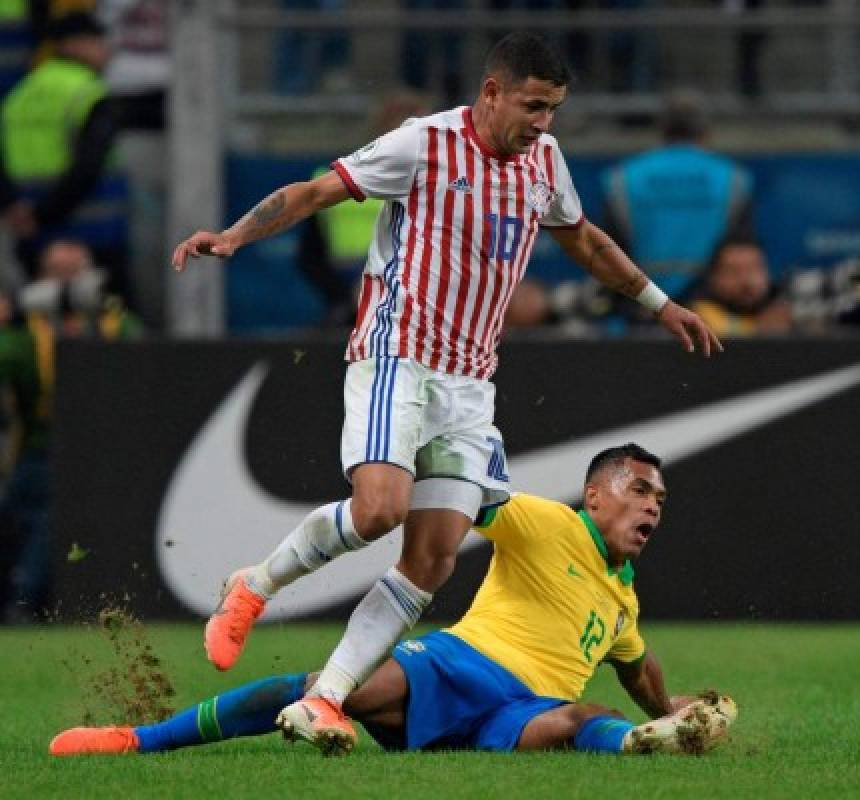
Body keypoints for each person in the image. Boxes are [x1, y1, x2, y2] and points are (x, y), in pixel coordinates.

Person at [170, 32, 721, 750]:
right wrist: (236, 237)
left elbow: (583, 240)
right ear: (491, 93)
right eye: (532, 105)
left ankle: (327, 700)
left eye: (553, 109)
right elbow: (315, 192)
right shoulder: (421, 143)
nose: (542, 123)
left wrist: (660, 303)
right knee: (379, 513)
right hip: (398, 355)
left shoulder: (544, 163)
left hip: (470, 382)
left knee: (430, 559)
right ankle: (255, 584)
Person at [49, 444, 738, 757]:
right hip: (456, 665)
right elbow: (460, 501)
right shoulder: (547, 521)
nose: (653, 506)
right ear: (595, 496)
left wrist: (672, 709)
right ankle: (139, 739)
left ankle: (650, 746)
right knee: (324, 689)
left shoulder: (623, 599)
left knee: (584, 716)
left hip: (522, 712)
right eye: (639, 490)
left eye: (660, 499)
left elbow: (639, 669)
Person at [0, 238, 140, 621]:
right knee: (28, 506)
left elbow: (144, 368)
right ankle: (21, 598)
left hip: (106, 455)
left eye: (73, 273)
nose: (64, 287)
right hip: (42, 450)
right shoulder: (24, 332)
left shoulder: (117, 322)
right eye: (55, 274)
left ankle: (26, 600)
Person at [0, 12, 132, 309]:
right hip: (93, 239)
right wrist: (45, 214)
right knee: (109, 328)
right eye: (97, 42)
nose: (105, 51)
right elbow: (88, 167)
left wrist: (15, 209)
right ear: (73, 45)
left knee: (38, 328)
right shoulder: (90, 94)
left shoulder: (19, 94)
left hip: (33, 240)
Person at [601, 89, 755, 302]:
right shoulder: (733, 178)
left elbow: (609, 250)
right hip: (710, 307)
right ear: (705, 131)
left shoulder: (622, 177)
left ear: (663, 129)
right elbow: (740, 249)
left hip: (641, 302)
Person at [298, 89, 430, 327]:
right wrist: (346, 293)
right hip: (350, 296)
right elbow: (309, 257)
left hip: (416, 297)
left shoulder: (443, 185)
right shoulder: (337, 179)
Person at [689, 236, 792, 337]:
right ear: (714, 277)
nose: (746, 281)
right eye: (733, 271)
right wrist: (762, 331)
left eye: (753, 270)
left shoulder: (787, 307)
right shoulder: (699, 314)